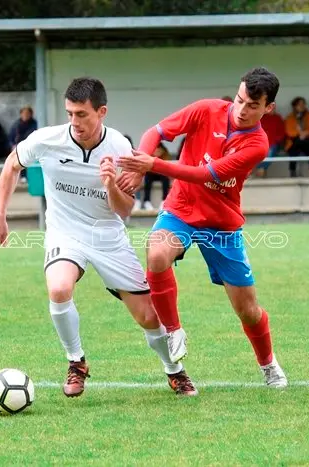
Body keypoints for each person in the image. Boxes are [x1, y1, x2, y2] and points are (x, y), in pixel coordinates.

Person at [0, 77, 198, 398]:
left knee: (148, 316)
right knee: (58, 288)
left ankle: (175, 372)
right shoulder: (47, 139)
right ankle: (76, 363)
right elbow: (11, 165)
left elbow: (125, 210)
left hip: (108, 236)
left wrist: (111, 185)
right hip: (64, 232)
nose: (75, 122)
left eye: (82, 114)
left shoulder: (120, 149)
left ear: (101, 112)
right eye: (70, 113)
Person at [117, 67, 288, 388]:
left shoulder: (257, 144)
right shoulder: (206, 109)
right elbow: (157, 132)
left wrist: (153, 165)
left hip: (222, 222)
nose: (241, 110)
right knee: (156, 255)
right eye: (239, 100)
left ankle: (268, 363)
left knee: (247, 310)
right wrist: (141, 163)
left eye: (252, 105)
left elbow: (206, 174)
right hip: (180, 208)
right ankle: (173, 329)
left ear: (268, 108)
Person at [284, 97, 309, 178]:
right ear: (295, 106)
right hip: (293, 141)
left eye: (303, 104)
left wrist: (305, 133)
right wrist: (300, 134)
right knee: (294, 148)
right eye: (299, 104)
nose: (302, 106)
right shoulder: (290, 117)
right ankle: (292, 172)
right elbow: (289, 132)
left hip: (307, 140)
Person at [9, 105, 39, 183]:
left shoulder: (34, 123)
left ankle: (28, 176)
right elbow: (11, 137)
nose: (25, 115)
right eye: (24, 113)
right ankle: (22, 176)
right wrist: (12, 145)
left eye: (27, 113)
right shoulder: (17, 124)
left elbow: (32, 135)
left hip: (30, 146)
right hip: (18, 146)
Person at [254, 106, 285, 178]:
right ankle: (261, 171)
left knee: (270, 152)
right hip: (260, 143)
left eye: (274, 108)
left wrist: (276, 140)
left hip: (273, 143)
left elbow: (282, 132)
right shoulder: (260, 117)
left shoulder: (278, 118)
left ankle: (261, 169)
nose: (272, 109)